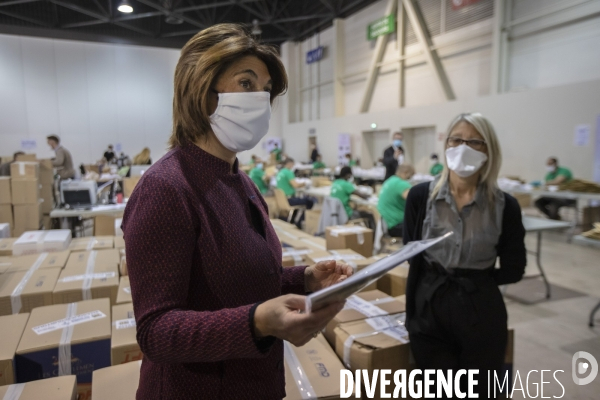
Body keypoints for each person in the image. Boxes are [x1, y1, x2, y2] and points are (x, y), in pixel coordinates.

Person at [121, 24, 351, 400]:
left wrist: (304, 279)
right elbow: (156, 331)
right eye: (246, 83)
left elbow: (239, 280)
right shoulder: (166, 189)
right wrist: (257, 322)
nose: (260, 98)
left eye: (265, 89)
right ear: (201, 89)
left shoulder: (238, 180)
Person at [402, 113, 526, 398]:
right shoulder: (421, 197)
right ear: (446, 145)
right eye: (456, 139)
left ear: (489, 149)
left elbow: (514, 267)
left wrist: (478, 281)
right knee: (436, 390)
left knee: (481, 390)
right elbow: (411, 252)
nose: (463, 147)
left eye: (474, 141)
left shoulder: (505, 206)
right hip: (429, 306)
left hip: (480, 308)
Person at [377, 164, 415, 237]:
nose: (410, 179)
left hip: (387, 222)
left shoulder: (390, 180)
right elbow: (414, 200)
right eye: (410, 176)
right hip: (396, 224)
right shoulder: (401, 184)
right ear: (405, 172)